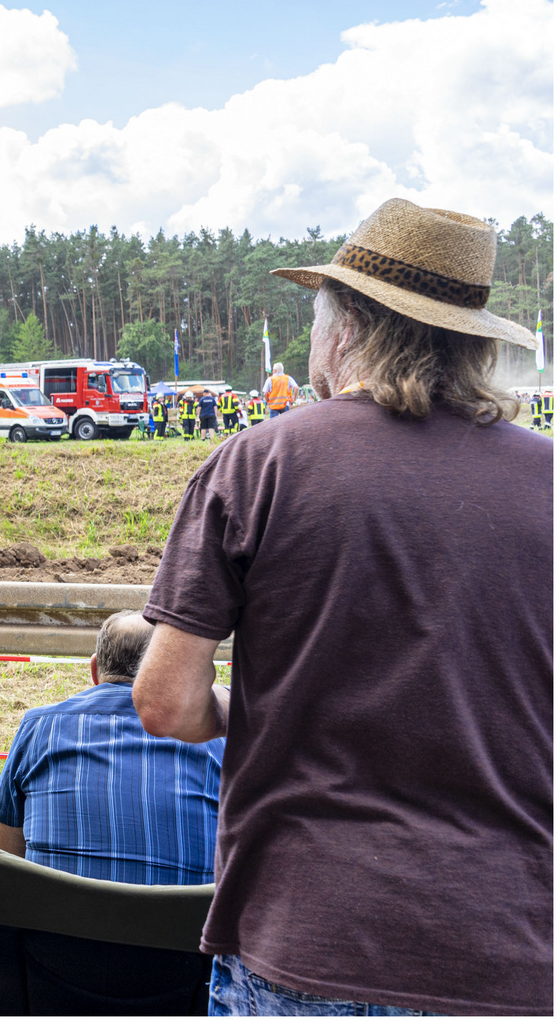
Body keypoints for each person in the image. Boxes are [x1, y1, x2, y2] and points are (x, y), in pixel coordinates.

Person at [132, 199, 551, 1016]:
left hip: (309, 934)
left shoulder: (261, 462)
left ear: (349, 327)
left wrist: (254, 707)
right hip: (513, 942)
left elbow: (164, 702)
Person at [0, 611, 222, 883]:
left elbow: (4, 852)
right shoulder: (218, 740)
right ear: (169, 674)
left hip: (53, 922)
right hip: (180, 924)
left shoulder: (39, 726)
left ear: (94, 670)